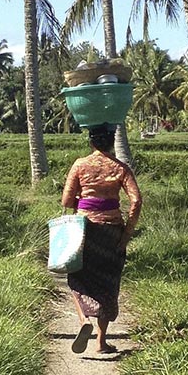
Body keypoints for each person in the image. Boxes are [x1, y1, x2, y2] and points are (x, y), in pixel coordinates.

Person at [61, 123, 142, 354]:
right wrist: (126, 233)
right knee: (108, 282)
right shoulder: (120, 168)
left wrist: (85, 202)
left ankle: (83, 320)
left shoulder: (80, 164)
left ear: (91, 142)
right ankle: (101, 341)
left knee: (77, 276)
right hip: (112, 231)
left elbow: (66, 201)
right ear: (111, 142)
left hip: (85, 231)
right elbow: (136, 201)